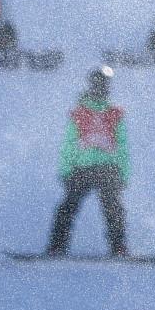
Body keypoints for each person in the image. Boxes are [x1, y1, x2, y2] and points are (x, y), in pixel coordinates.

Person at [46, 67, 129, 258]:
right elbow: (69, 144)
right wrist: (66, 171)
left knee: (114, 209)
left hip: (108, 169)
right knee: (67, 207)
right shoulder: (80, 113)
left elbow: (123, 146)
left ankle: (119, 248)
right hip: (82, 168)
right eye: (97, 84)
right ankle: (57, 247)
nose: (100, 88)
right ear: (91, 85)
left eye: (104, 84)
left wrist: (123, 173)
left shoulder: (114, 113)